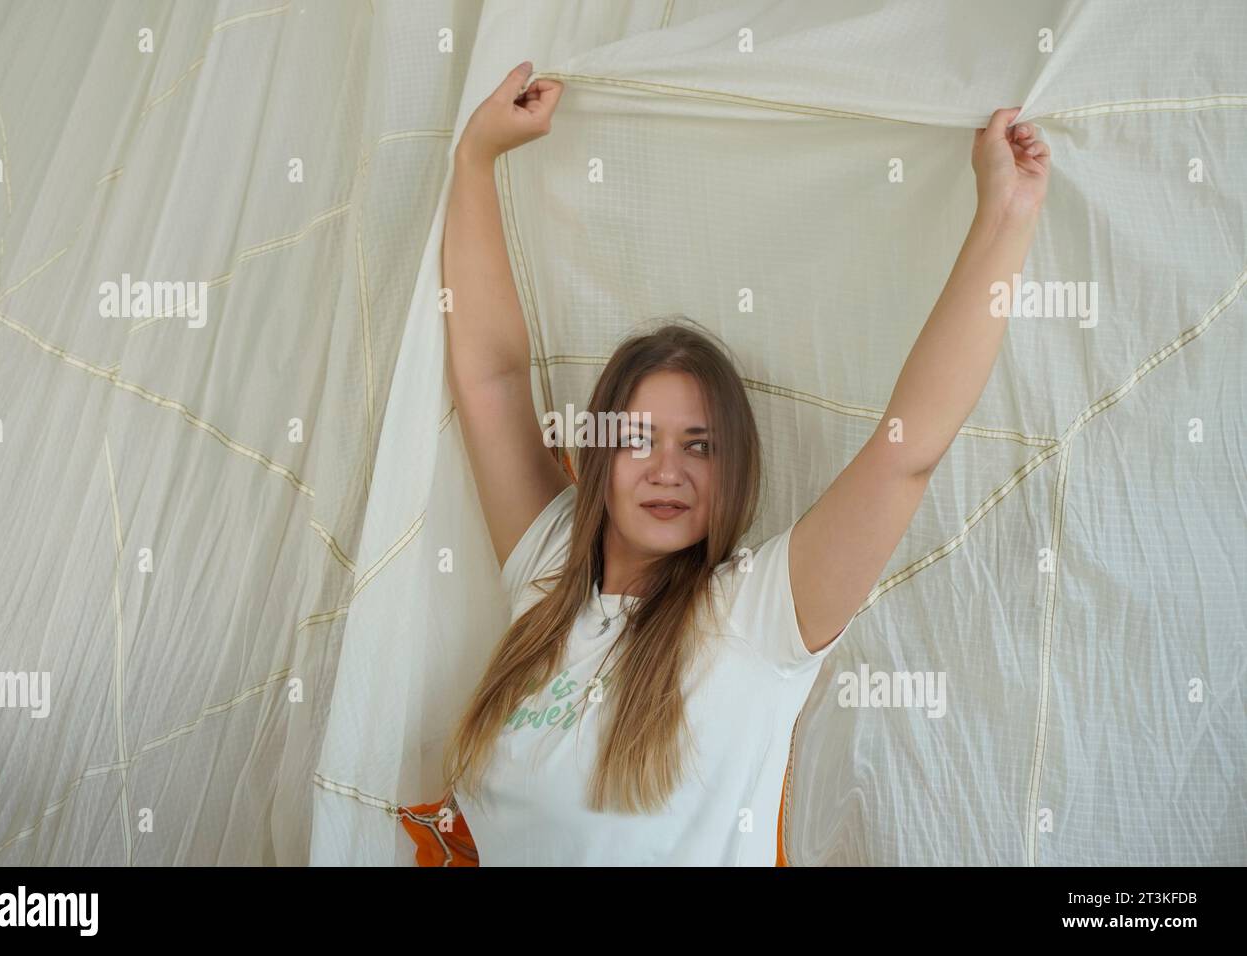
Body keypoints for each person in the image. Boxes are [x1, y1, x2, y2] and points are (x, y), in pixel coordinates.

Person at [438, 61, 1051, 865]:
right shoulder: (549, 570)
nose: (668, 469)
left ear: (734, 474)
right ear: (597, 457)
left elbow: (911, 450)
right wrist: (476, 159)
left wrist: (1005, 213)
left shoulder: (755, 617)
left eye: (701, 446)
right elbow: (489, 379)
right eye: (638, 440)